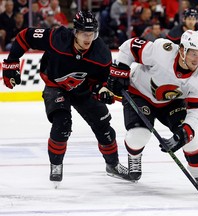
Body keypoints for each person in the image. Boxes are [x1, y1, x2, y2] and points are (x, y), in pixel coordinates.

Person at [1, 10, 132, 185]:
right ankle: (56, 164)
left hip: (83, 89)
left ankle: (113, 165)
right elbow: (25, 36)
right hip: (56, 86)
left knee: (104, 127)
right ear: (75, 32)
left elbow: (101, 81)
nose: (88, 38)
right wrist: (11, 62)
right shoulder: (57, 38)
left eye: (92, 33)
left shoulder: (101, 53)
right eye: (85, 33)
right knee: (62, 124)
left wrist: (103, 90)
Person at [107, 30, 198, 193]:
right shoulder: (163, 50)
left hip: (171, 101)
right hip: (139, 93)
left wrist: (185, 131)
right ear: (182, 50)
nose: (197, 59)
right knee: (138, 136)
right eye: (193, 53)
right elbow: (130, 47)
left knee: (190, 136)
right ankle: (134, 157)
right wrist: (121, 69)